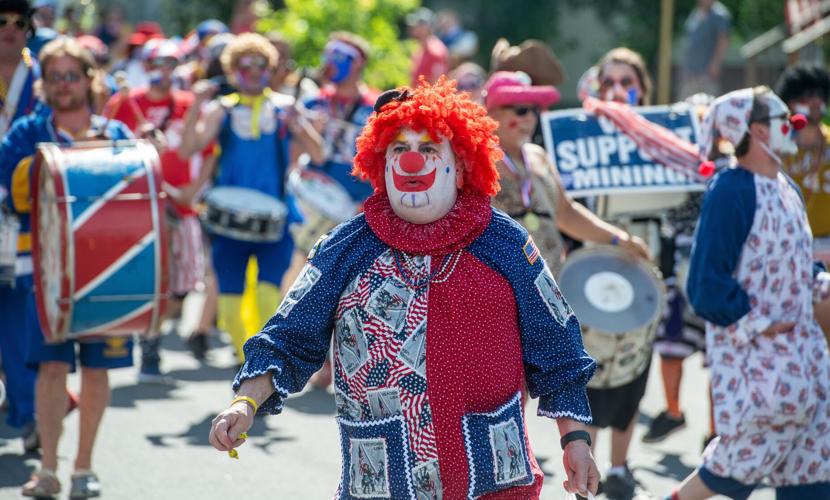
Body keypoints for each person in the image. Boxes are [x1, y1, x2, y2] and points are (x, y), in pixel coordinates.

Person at [209, 76, 601, 499]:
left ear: (461, 162)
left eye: (429, 149)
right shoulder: (347, 246)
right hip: (382, 483)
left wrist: (575, 441)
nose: (412, 162)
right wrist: (244, 402)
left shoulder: (504, 243)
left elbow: (556, 345)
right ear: (382, 161)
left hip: (489, 479)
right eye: (400, 149)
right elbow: (288, 337)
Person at [667, 86, 830, 500]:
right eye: (784, 121)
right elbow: (705, 284)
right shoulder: (730, 191)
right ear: (756, 130)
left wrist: (820, 282)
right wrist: (761, 325)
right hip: (758, 360)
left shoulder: (786, 188)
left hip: (805, 357)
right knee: (738, 461)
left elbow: (796, 262)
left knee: (812, 468)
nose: (794, 127)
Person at [0, 36, 134, 499]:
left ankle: (83, 469)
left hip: (105, 272)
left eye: (71, 76)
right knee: (51, 370)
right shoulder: (25, 133)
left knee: (97, 371)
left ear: (88, 79)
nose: (63, 85)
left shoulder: (115, 135)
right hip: (47, 271)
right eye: (54, 77)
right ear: (44, 84)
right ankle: (49, 470)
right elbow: (13, 196)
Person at [178, 33, 321, 367]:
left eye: (262, 66)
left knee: (268, 300)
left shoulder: (284, 110)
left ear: (271, 69)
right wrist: (195, 105)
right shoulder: (221, 111)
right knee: (228, 311)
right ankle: (252, 363)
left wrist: (302, 126)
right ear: (232, 71)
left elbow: (318, 152)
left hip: (275, 221)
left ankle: (259, 371)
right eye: (246, 66)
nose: (254, 72)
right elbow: (187, 149)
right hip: (228, 224)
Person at [103, 38, 211, 368]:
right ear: (146, 67)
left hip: (181, 205)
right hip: (140, 204)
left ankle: (155, 328)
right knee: (150, 277)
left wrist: (192, 190)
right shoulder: (125, 102)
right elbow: (103, 149)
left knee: (184, 284)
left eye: (169, 65)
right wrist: (138, 144)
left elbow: (206, 151)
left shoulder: (188, 104)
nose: (163, 72)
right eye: (156, 65)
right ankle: (149, 342)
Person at [485, 71, 650, 278]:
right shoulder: (475, 158)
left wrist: (620, 239)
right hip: (499, 283)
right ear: (491, 112)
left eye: (534, 110)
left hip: (548, 284)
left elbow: (566, 213)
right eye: (521, 110)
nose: (530, 118)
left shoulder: (539, 157)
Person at [0, 0, 44, 456]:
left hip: (27, 218)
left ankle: (31, 414)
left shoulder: (49, 78)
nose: (10, 30)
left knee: (16, 317)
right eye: (1, 22)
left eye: (19, 22)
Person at [678, 0, 730, 99]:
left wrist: (715, 65)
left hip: (706, 75)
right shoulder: (696, 12)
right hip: (690, 73)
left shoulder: (720, 14)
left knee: (707, 107)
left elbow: (723, 41)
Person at [407, 7, 448, 86]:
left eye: (418, 25)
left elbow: (437, 83)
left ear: (426, 27)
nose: (413, 28)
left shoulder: (436, 50)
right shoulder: (418, 48)